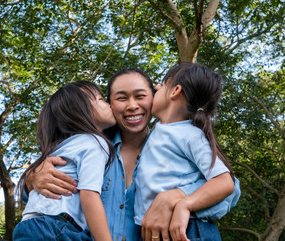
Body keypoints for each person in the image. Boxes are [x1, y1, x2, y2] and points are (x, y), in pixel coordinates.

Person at [25, 68, 241, 241]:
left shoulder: (176, 142)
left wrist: (176, 196)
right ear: (109, 104)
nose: (132, 106)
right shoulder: (91, 147)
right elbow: (43, 201)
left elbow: (230, 189)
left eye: (140, 96)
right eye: (121, 98)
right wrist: (31, 179)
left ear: (153, 98)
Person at [135, 63, 237, 241]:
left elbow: (225, 182)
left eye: (161, 84)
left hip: (188, 229)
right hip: (155, 229)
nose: (156, 88)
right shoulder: (159, 130)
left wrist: (186, 203)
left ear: (175, 91)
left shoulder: (189, 134)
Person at [13, 81, 116, 241]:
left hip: (30, 225)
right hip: (56, 227)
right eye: (101, 99)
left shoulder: (62, 147)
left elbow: (19, 192)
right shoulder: (95, 142)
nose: (109, 104)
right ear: (82, 111)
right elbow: (89, 196)